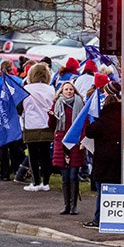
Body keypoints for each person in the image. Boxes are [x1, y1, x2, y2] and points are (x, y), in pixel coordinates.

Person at [83, 81, 122, 228]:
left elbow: (90, 132)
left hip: (104, 161)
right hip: (120, 160)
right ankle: (117, 218)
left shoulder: (103, 120)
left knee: (102, 191)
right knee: (118, 189)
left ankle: (99, 219)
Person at [0, 60, 26, 181]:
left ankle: (4, 172)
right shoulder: (18, 81)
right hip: (13, 116)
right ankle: (16, 169)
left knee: (1, 145)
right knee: (13, 144)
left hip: (0, 115)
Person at [48, 82, 86, 214]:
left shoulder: (80, 104)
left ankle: (74, 205)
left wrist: (82, 139)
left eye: (71, 89)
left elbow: (84, 123)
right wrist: (51, 116)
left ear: (74, 91)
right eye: (66, 89)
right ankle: (66, 205)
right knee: (65, 176)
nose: (69, 91)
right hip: (61, 142)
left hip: (75, 141)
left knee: (73, 175)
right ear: (62, 91)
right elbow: (52, 125)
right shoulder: (57, 104)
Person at [21, 63, 55, 192]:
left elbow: (21, 107)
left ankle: (35, 182)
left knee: (33, 156)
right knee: (46, 155)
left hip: (31, 125)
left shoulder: (26, 89)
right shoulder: (51, 89)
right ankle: (46, 182)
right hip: (47, 125)